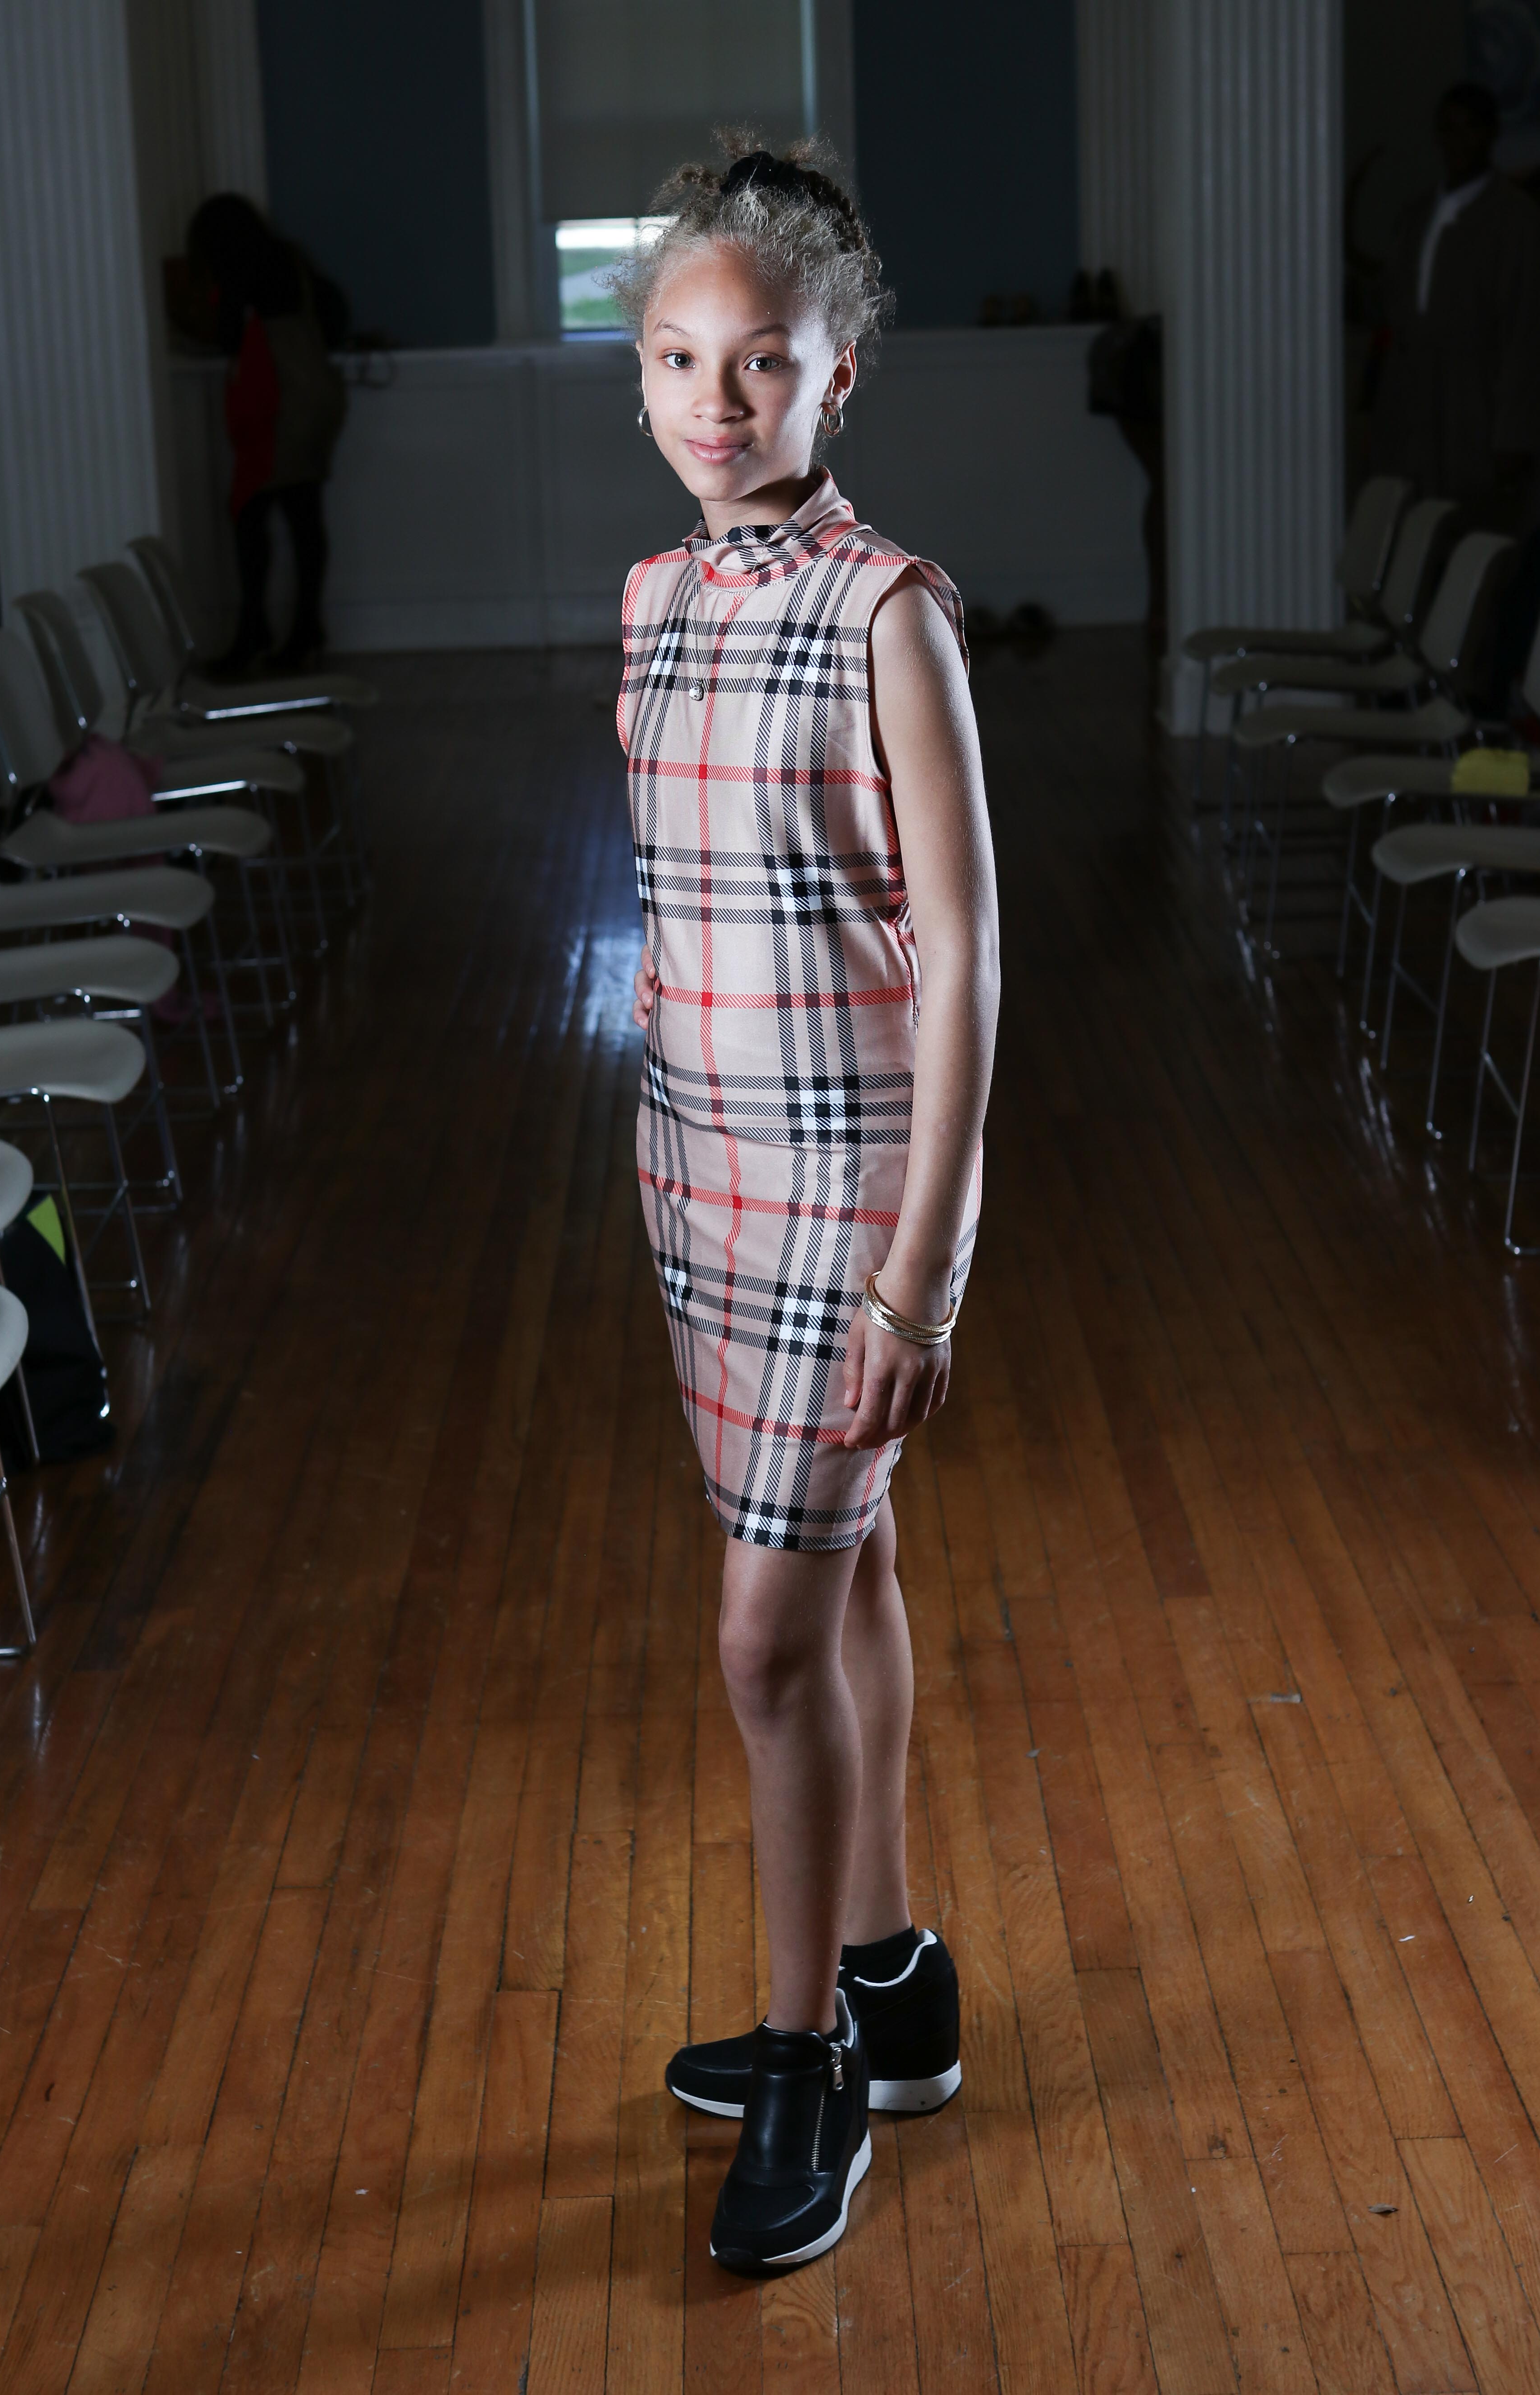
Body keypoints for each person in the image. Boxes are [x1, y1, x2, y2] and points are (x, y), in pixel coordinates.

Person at [614, 139, 999, 2275]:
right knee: (844, 1582)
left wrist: (919, 1271)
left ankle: (803, 2065)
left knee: (761, 1640)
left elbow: (964, 952)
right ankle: (891, 1983)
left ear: (838, 374)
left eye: (760, 359)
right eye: (678, 358)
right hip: (699, 1176)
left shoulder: (887, 612)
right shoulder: (653, 602)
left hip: (852, 1201)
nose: (715, 398)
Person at [1370, 81, 1540, 532]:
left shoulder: (1517, 222)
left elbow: (1529, 336)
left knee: (1473, 545)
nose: (1458, 141)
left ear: (1490, 133)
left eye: (1470, 128)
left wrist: (1514, 438)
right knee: (1409, 541)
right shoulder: (1415, 216)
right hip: (1412, 421)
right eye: (1448, 128)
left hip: (1475, 421)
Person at [184, 195, 348, 675]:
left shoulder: (240, 268)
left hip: (279, 404)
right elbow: (331, 318)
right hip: (315, 397)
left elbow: (228, 337)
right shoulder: (289, 259)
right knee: (303, 514)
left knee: (250, 512)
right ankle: (302, 629)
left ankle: (258, 632)